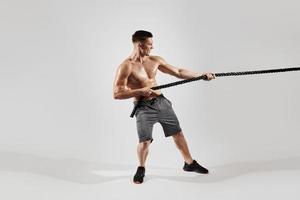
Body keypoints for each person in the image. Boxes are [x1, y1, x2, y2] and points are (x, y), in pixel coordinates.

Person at [113, 30, 216, 184]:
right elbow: (117, 93)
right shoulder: (125, 66)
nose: (152, 47)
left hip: (161, 102)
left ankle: (189, 163)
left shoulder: (155, 60)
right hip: (143, 108)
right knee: (145, 141)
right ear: (140, 45)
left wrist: (201, 75)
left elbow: (179, 72)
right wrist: (140, 91)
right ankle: (141, 168)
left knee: (178, 133)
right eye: (150, 44)